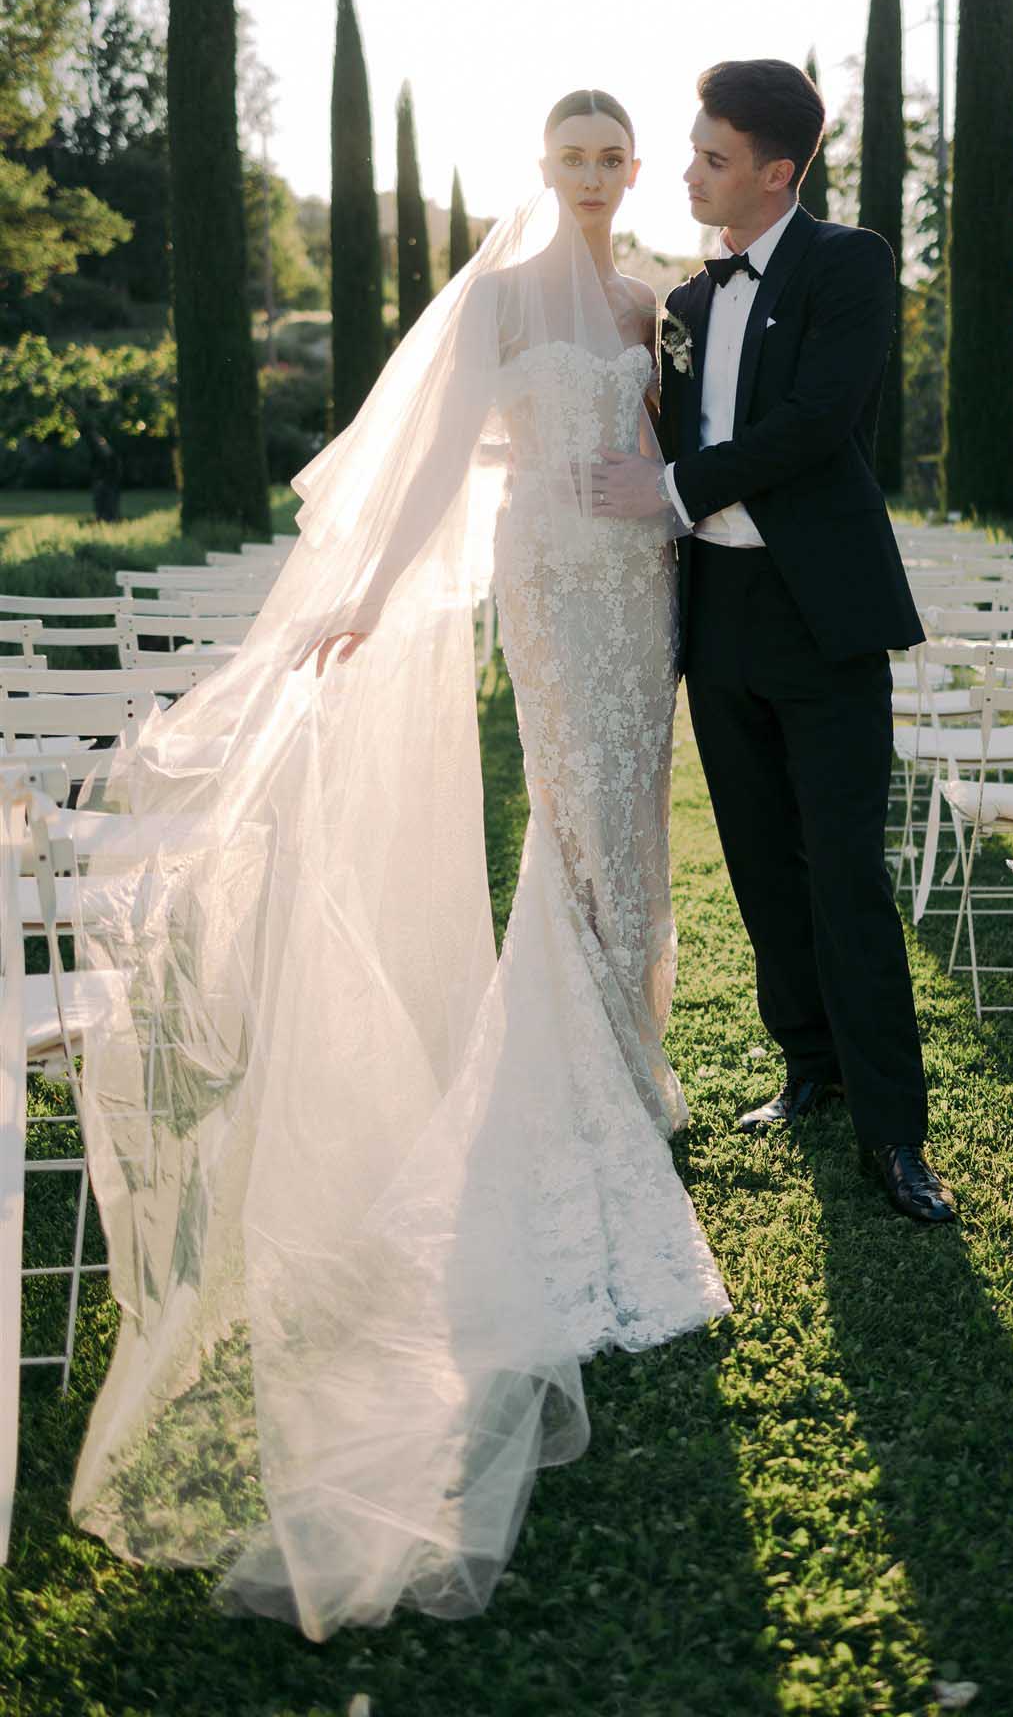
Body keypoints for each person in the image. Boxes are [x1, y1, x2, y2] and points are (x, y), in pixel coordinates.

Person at [67, 92, 729, 1644]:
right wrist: (361, 592)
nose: (588, 175)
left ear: (630, 171)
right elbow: (436, 463)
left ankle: (637, 1062)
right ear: (542, 167)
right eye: (568, 155)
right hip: (549, 588)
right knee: (570, 815)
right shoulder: (499, 301)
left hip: (641, 579)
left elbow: (658, 451)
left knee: (629, 821)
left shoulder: (647, 301)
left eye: (608, 156)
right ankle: (602, 1075)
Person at [592, 59, 956, 1226]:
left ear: (777, 172)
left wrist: (668, 484)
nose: (691, 171)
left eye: (710, 157)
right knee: (758, 861)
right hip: (723, 616)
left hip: (824, 614)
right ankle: (810, 1065)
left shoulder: (852, 263)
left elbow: (818, 424)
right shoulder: (688, 305)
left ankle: (896, 1135)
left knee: (846, 871)